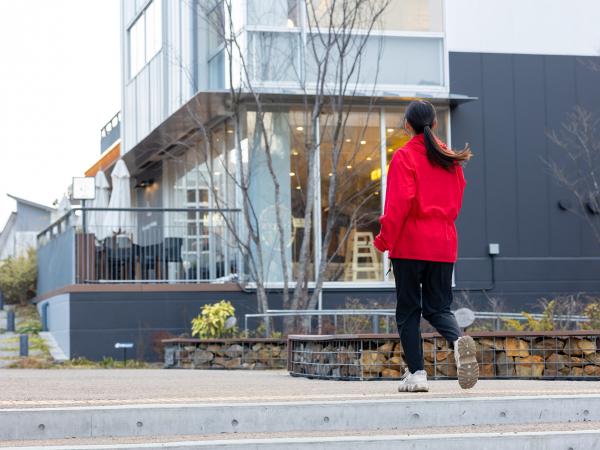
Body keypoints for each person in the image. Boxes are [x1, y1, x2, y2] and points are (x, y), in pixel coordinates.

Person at [373, 100, 476, 392]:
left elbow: (398, 206)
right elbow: (456, 202)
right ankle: (458, 342)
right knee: (439, 307)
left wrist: (384, 240)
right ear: (435, 124)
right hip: (443, 244)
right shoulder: (450, 159)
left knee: (408, 310)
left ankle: (417, 375)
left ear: (407, 125)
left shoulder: (404, 157)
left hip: (410, 245)